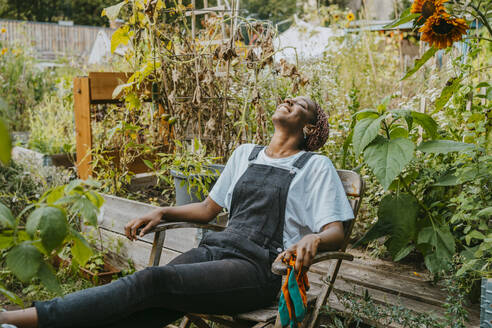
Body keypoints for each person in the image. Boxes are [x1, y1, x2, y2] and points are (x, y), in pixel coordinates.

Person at [0, 97, 354, 328]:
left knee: (152, 281)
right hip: (216, 251)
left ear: (309, 129)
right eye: (288, 99)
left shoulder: (315, 166)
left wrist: (314, 237)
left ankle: (17, 319)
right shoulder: (246, 153)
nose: (288, 100)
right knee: (151, 304)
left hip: (259, 267)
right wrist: (163, 210)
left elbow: (334, 231)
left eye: (300, 104)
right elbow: (207, 209)